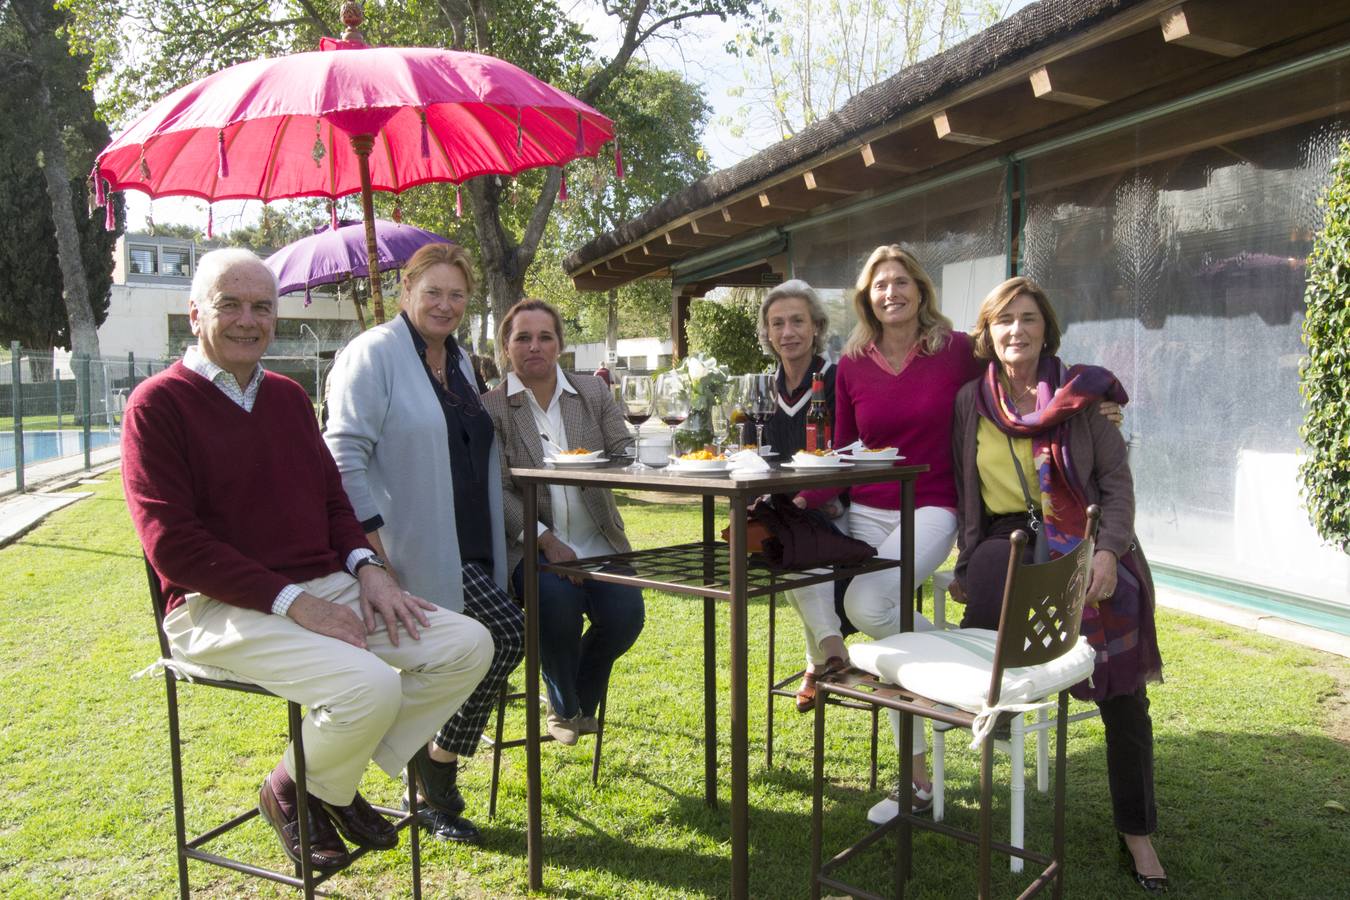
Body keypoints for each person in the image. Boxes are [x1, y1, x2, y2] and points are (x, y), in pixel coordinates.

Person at [121, 248, 493, 872]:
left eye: (262, 306)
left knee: (468, 645)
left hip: (322, 583)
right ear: (194, 315)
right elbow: (175, 548)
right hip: (215, 606)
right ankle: (322, 790)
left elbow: (333, 499)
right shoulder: (157, 405)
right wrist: (296, 604)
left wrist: (367, 569)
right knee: (369, 685)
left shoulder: (289, 399)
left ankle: (312, 785)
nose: (248, 319)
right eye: (229, 305)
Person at [951, 276, 1166, 893]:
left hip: (1087, 535)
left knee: (1124, 690)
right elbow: (969, 493)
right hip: (1004, 540)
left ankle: (1138, 832)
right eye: (1004, 321)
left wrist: (1107, 552)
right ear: (987, 335)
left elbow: (1118, 488)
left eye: (1028, 319)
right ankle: (989, 733)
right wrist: (966, 560)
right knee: (987, 633)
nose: (1016, 331)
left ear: (1046, 328)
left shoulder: (1083, 394)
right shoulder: (972, 400)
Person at [324, 242, 522, 845]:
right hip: (408, 549)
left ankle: (428, 756)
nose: (445, 304)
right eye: (432, 292)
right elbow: (342, 452)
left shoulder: (459, 360)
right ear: (407, 290)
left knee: (492, 644)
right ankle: (428, 765)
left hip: (468, 539)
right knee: (503, 635)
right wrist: (372, 545)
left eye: (457, 294)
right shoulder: (374, 353)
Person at [795, 245, 982, 823]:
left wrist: (1094, 397)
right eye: (880, 285)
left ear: (921, 290)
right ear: (866, 297)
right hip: (866, 508)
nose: (891, 292)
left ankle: (975, 674)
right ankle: (919, 778)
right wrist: (807, 500)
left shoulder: (957, 351)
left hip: (930, 504)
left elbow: (1019, 375)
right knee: (789, 547)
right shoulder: (851, 362)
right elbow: (846, 453)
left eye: (901, 281)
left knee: (872, 603)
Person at [483, 299, 646, 745]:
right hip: (533, 547)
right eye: (523, 337)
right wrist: (544, 540)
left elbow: (621, 449)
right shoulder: (492, 408)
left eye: (545, 337)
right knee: (555, 602)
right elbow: (495, 489)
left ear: (560, 345)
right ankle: (565, 706)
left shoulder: (591, 394)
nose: (534, 346)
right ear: (506, 347)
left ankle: (575, 698)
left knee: (625, 618)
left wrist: (620, 457)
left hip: (600, 542)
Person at [753, 280, 851, 710]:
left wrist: (814, 498)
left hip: (836, 506)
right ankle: (824, 656)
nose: (787, 331)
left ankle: (825, 654)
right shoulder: (761, 388)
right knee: (781, 538)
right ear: (768, 333)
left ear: (816, 327)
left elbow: (851, 449)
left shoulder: (836, 379)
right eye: (778, 323)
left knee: (791, 545)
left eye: (797, 321)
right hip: (782, 510)